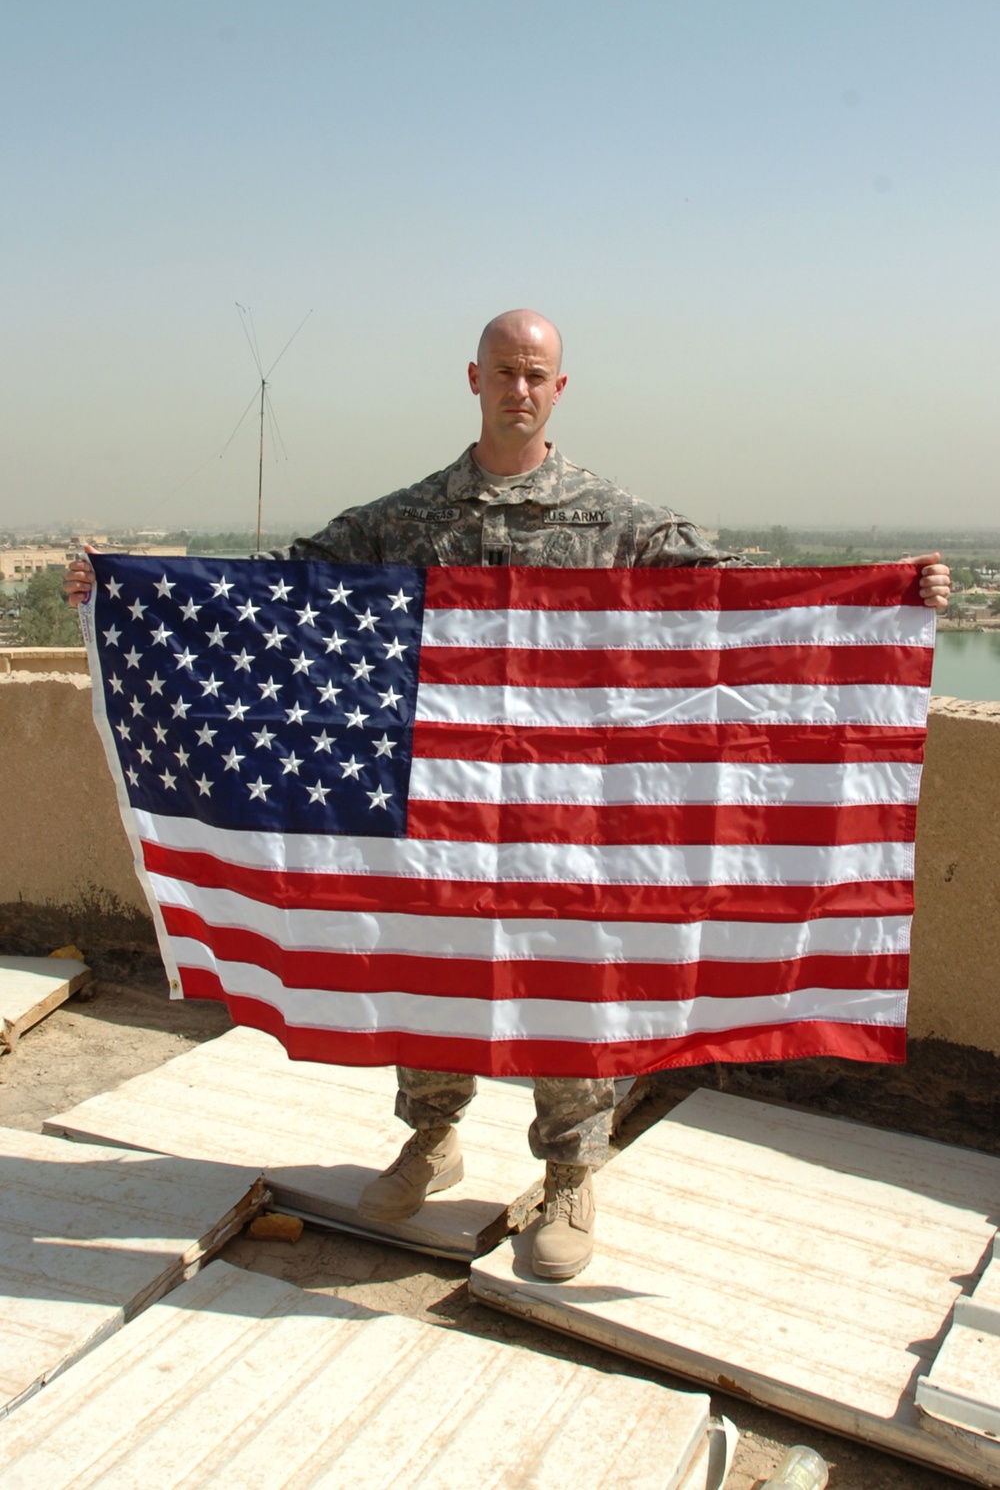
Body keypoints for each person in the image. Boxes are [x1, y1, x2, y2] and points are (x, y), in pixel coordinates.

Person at [66, 309, 952, 1281]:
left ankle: (571, 1172)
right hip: (435, 812)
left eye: (535, 374)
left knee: (571, 984)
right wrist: (122, 586)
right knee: (426, 959)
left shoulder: (614, 521)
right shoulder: (408, 521)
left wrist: (890, 594)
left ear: (558, 389)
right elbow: (283, 589)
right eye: (502, 372)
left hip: (570, 820)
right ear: (474, 378)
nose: (518, 389)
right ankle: (430, 1139)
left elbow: (733, 598)